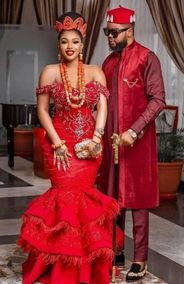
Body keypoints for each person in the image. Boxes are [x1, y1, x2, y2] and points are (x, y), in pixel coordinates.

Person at [17, 12, 122, 284]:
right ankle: (60, 266)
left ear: (82, 43)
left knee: (84, 199)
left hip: (88, 146)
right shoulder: (50, 72)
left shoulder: (95, 71)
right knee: (63, 197)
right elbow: (42, 111)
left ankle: (85, 267)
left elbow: (102, 107)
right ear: (59, 44)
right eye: (65, 41)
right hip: (59, 144)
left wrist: (97, 139)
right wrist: (57, 142)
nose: (70, 47)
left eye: (75, 41)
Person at [99, 6, 166, 282]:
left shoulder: (147, 58)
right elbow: (101, 102)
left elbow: (158, 99)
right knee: (112, 198)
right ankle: (116, 251)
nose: (110, 37)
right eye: (107, 32)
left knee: (138, 202)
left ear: (130, 30)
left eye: (114, 32)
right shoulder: (108, 63)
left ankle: (140, 259)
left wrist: (135, 131)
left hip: (137, 146)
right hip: (110, 143)